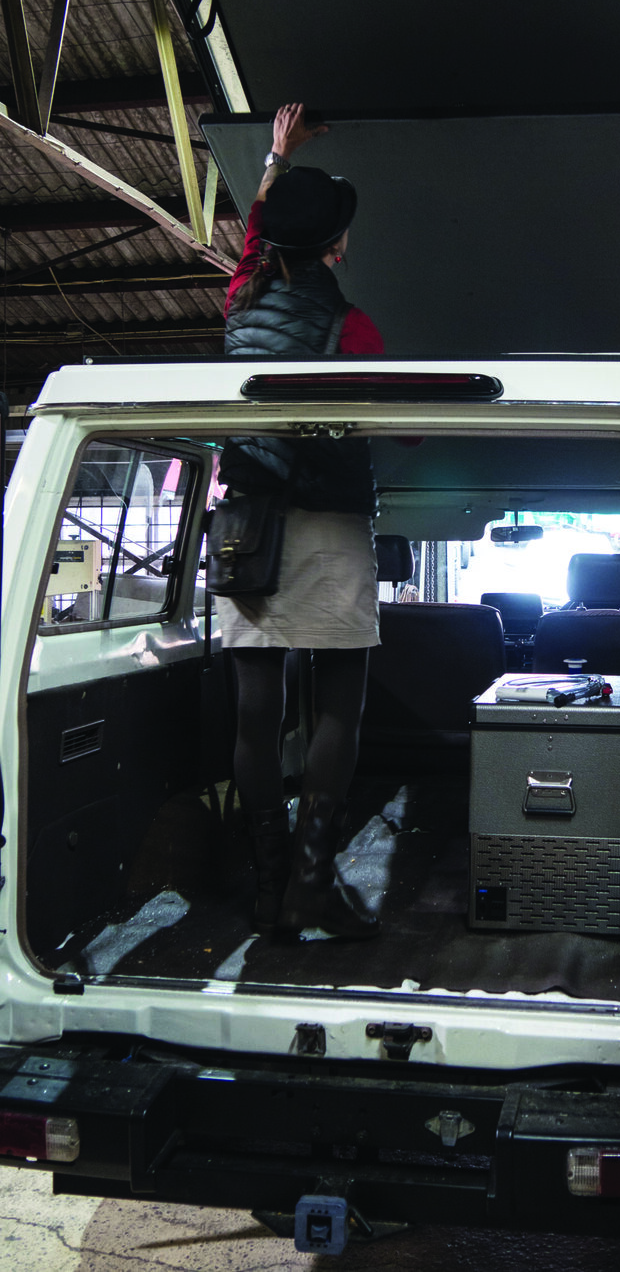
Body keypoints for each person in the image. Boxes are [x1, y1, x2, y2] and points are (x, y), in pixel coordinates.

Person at [216, 102, 382, 940]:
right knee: (336, 710)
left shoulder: (241, 303)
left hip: (246, 522)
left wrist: (276, 160)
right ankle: (310, 888)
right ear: (337, 249)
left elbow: (254, 234)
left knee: (255, 713)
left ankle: (266, 881)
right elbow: (393, 425)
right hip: (324, 525)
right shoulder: (352, 330)